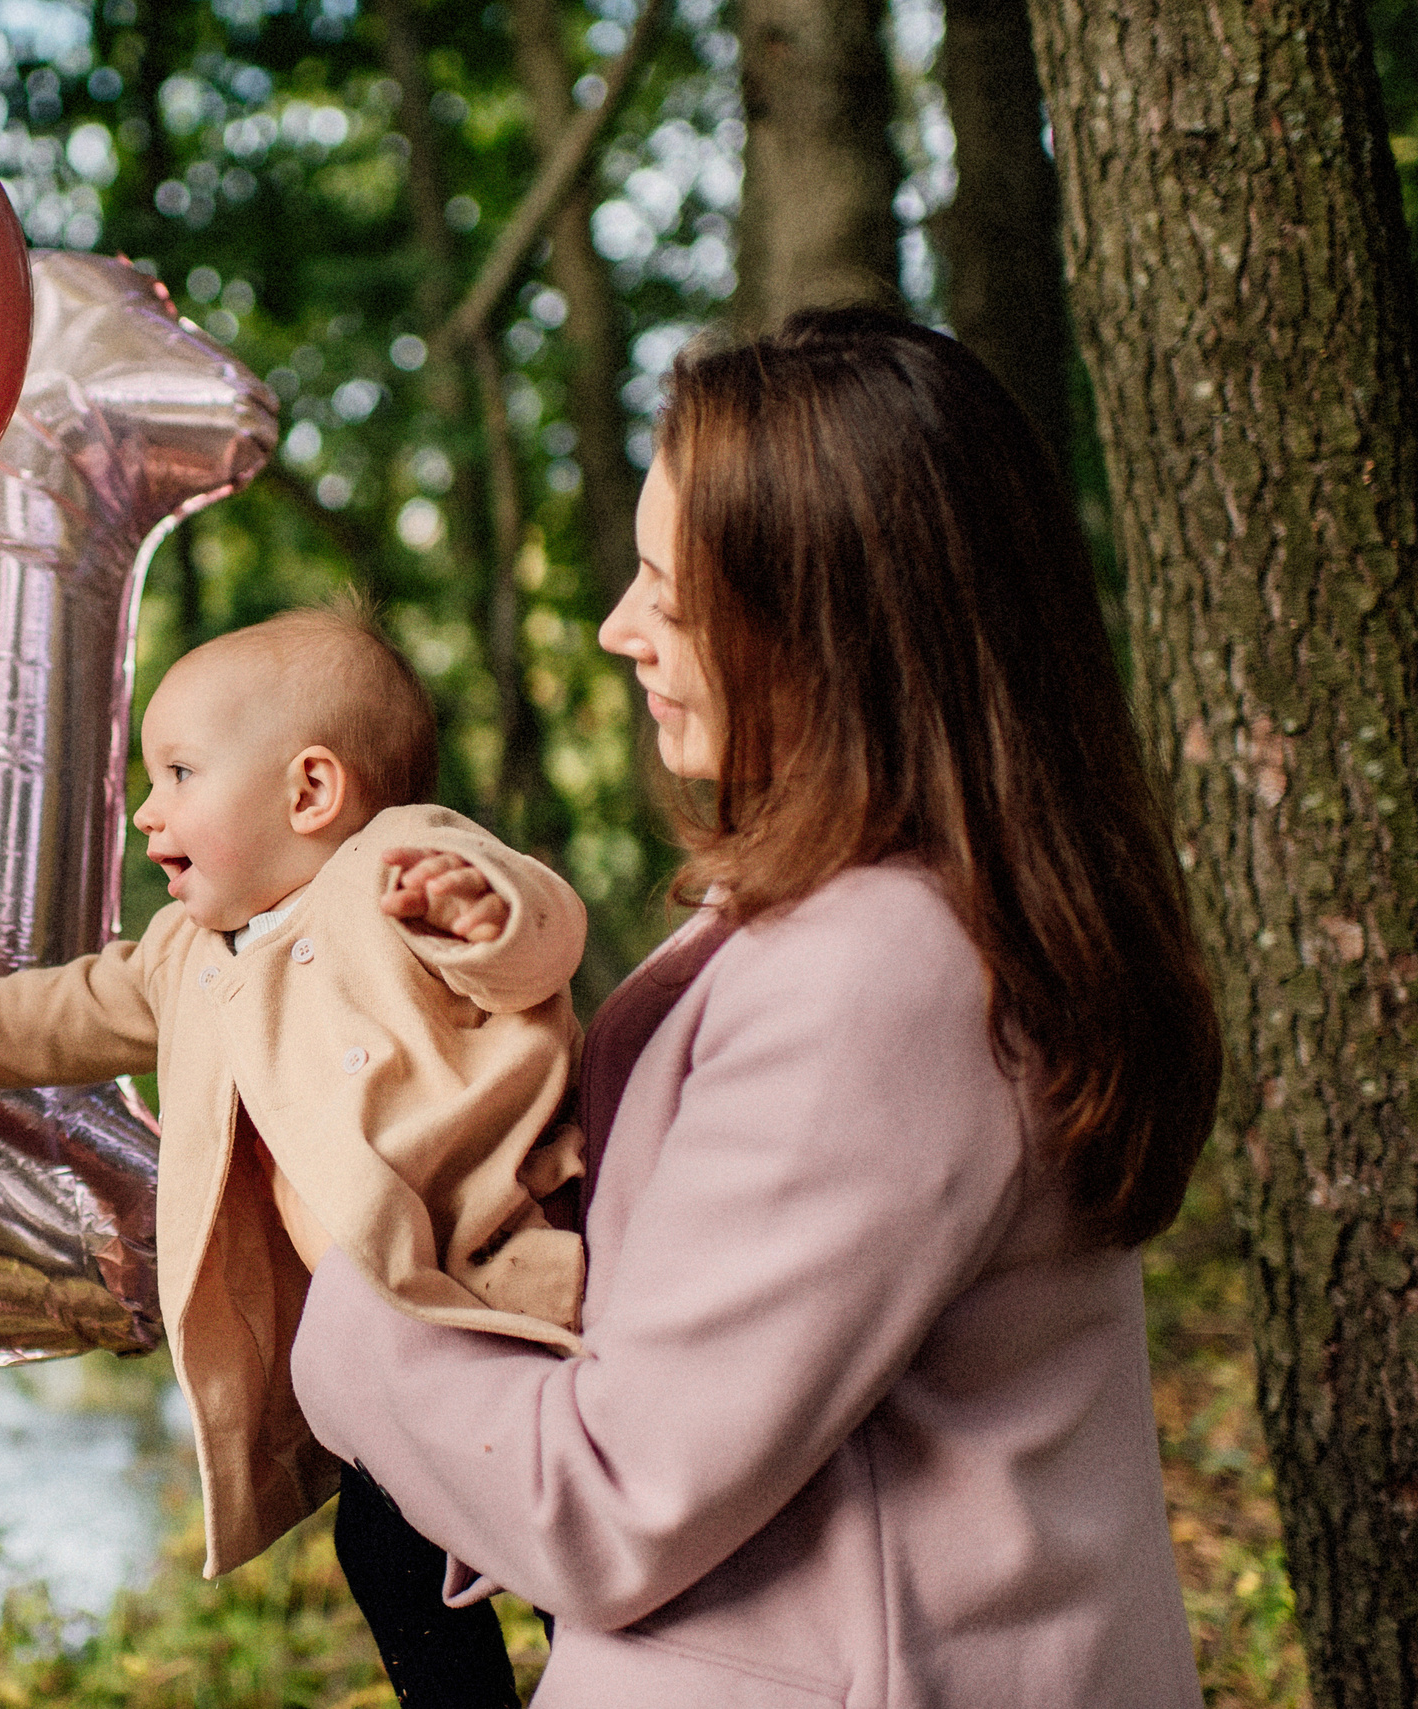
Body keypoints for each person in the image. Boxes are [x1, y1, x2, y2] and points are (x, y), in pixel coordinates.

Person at [289, 306, 1222, 1708]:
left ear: (825, 627)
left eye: (671, 594)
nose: (618, 629)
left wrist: (341, 1295)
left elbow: (611, 1499)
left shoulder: (883, 977)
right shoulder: (875, 923)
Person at [0, 603, 587, 1704]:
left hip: (494, 1302)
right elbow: (73, 1007)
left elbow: (536, 935)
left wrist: (479, 911)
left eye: (179, 772)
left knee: (570, 1557)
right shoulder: (191, 953)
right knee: (387, 1555)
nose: (145, 810)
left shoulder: (396, 868)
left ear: (310, 792)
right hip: (378, 1360)